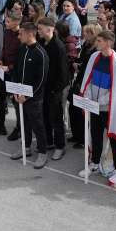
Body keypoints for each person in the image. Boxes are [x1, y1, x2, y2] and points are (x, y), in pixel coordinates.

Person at [9, 22, 50, 169]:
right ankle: (25, 148)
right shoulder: (22, 49)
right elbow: (16, 71)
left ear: (30, 34)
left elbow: (41, 80)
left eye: (21, 33)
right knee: (23, 123)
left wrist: (27, 96)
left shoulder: (41, 53)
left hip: (34, 99)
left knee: (37, 125)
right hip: (19, 95)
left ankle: (42, 152)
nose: (19, 36)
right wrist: (15, 90)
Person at [0, 10, 23, 138]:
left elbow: (20, 57)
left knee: (16, 101)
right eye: (6, 21)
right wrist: (0, 59)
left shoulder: (21, 36)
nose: (6, 23)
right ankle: (0, 125)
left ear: (17, 22)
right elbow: (3, 47)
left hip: (14, 73)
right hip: (3, 70)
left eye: (8, 21)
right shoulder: (6, 32)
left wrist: (10, 67)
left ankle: (19, 128)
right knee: (0, 97)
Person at [37, 17, 68, 159]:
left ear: (49, 29)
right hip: (43, 88)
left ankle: (60, 146)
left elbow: (63, 73)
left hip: (54, 90)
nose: (38, 31)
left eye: (40, 29)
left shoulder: (58, 46)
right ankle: (48, 141)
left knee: (56, 118)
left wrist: (56, 90)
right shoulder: (42, 43)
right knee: (44, 116)